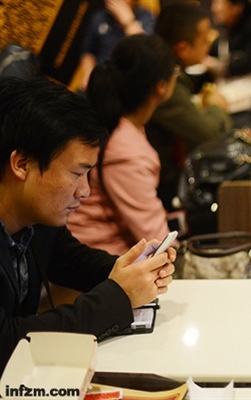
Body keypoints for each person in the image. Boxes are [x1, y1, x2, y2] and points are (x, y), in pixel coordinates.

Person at [0, 77, 175, 375]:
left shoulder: (36, 219)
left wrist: (135, 270)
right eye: (76, 173)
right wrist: (118, 297)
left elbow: (72, 260)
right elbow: (7, 342)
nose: (85, 191)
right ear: (22, 164)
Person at [68, 34, 178, 255]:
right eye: (175, 71)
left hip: (105, 255)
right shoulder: (126, 151)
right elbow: (157, 241)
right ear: (161, 87)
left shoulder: (118, 124)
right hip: (103, 261)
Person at [147, 1, 232, 230]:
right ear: (183, 48)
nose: (209, 43)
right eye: (204, 39)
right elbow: (209, 134)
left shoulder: (163, 73)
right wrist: (216, 107)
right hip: (162, 191)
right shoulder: (164, 84)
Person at [205, 0, 251, 127]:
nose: (214, 9)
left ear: (237, 7)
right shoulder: (225, 31)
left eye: (220, 3)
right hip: (230, 101)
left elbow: (246, 64)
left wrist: (217, 66)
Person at [77, 0, 155, 92]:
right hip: (99, 81)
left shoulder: (148, 19)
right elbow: (88, 53)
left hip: (126, 86)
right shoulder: (99, 17)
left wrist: (128, 22)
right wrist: (88, 76)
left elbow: (144, 53)